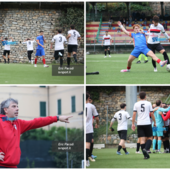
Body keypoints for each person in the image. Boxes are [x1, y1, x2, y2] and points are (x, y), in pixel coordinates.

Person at [0, 98, 72, 168]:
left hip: (13, 167)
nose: (17, 108)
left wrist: (57, 118)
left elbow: (37, 122)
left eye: (17, 106)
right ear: (5, 110)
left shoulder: (18, 123)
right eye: (14, 106)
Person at [132, 91, 156, 159]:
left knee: (142, 140)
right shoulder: (148, 103)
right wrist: (154, 122)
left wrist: (133, 123)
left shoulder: (136, 104)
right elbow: (151, 113)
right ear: (145, 96)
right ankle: (146, 149)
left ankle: (145, 155)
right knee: (150, 138)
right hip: (147, 123)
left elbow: (134, 114)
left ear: (139, 97)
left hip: (140, 123)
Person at [86, 93, 99, 167]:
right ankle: (87, 160)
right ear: (88, 98)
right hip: (88, 128)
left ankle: (89, 155)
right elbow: (96, 118)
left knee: (91, 142)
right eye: (89, 99)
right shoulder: (91, 106)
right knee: (87, 145)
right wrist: (97, 123)